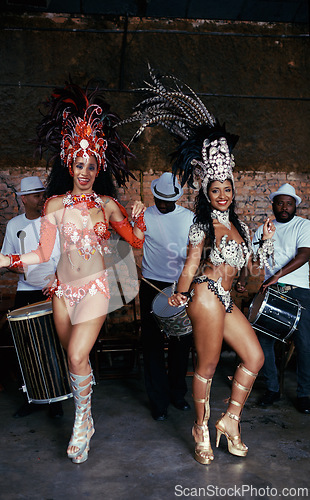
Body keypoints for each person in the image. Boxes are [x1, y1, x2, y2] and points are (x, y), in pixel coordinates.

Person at [0, 81, 146, 464]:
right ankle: (85, 417)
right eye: (79, 164)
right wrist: (6, 261)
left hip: (94, 289)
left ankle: (81, 421)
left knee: (75, 356)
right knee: (75, 359)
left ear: (98, 167)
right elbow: (41, 252)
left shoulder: (107, 205)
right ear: (69, 163)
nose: (85, 171)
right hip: (61, 291)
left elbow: (135, 242)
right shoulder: (54, 204)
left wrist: (138, 220)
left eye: (92, 165)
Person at [121, 66, 274, 465]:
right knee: (205, 366)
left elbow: (251, 273)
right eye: (215, 189)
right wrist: (179, 294)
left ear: (232, 191)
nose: (222, 194)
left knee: (254, 358)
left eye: (227, 189)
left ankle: (230, 421)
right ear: (206, 192)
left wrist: (264, 244)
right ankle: (200, 429)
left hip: (226, 299)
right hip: (204, 295)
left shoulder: (239, 226)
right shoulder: (200, 224)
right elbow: (190, 265)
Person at [244, 183, 310, 414]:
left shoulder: (304, 225)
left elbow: (304, 254)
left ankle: (305, 393)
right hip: (271, 291)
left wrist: (277, 276)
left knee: (305, 342)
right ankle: (272, 389)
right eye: (280, 203)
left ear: (295, 206)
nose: (284, 207)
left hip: (299, 289)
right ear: (273, 205)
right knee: (263, 341)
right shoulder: (263, 229)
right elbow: (252, 259)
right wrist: (243, 279)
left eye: (289, 203)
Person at [1, 175, 62, 418]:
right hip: (26, 292)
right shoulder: (14, 225)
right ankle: (33, 398)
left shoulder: (54, 222)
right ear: (24, 199)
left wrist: (57, 280)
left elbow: (69, 256)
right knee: (26, 347)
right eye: (36, 196)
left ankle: (56, 401)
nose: (41, 200)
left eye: (43, 195)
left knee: (52, 346)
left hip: (52, 291)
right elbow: (8, 258)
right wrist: (17, 267)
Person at [139, 172, 194, 421]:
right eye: (158, 198)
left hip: (180, 285)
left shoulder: (189, 218)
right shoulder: (145, 216)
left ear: (176, 198)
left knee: (181, 343)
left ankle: (177, 394)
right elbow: (131, 240)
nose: (161, 203)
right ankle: (158, 402)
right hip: (151, 284)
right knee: (151, 344)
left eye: (166, 200)